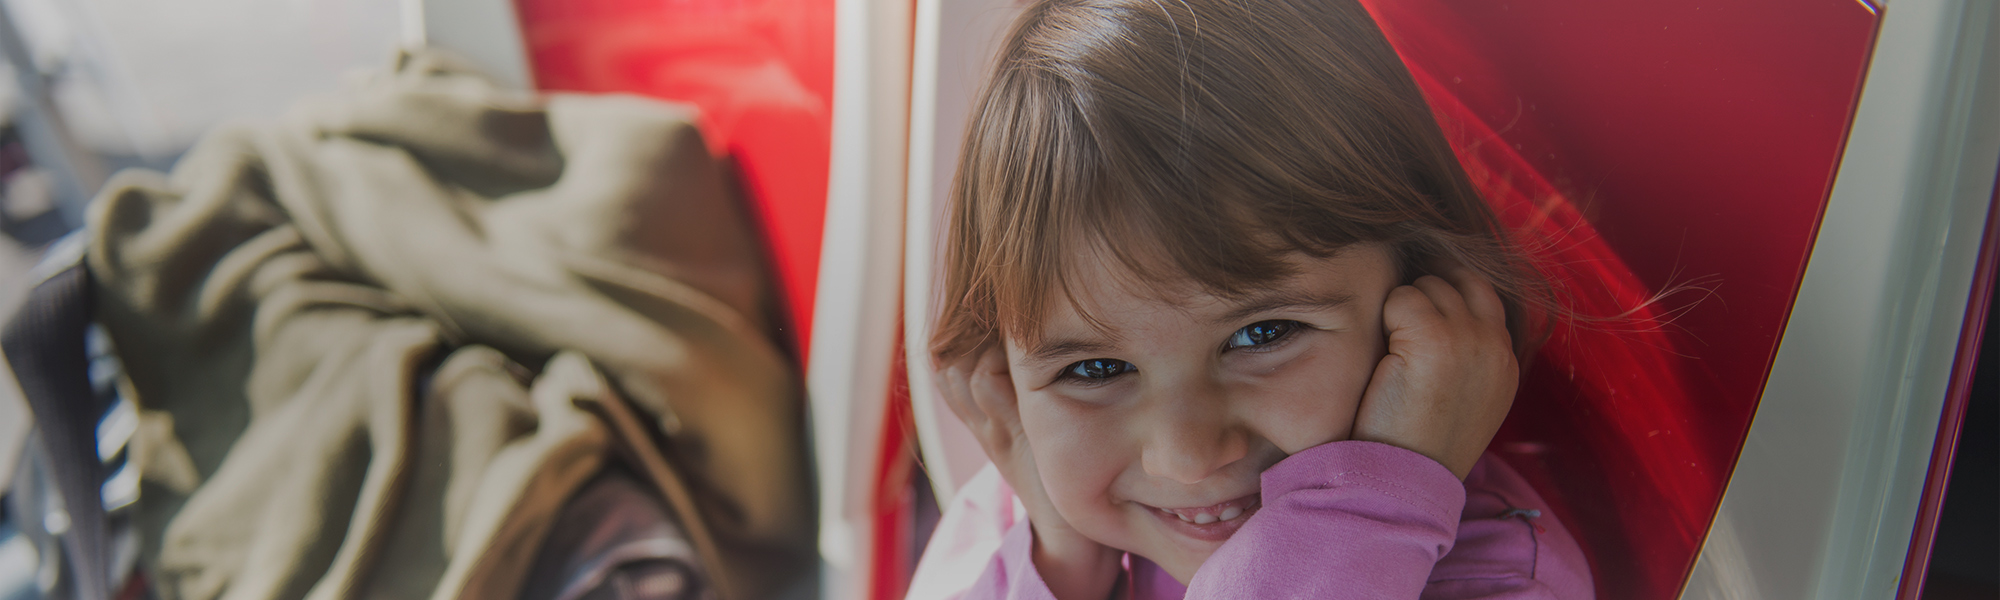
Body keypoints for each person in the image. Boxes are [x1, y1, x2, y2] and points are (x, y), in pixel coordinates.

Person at [911, 0, 1596, 598]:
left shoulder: (1499, 580)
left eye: (1262, 334)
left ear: (1425, 301)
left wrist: (1366, 511)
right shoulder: (1034, 512)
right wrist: (1060, 564)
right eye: (1094, 370)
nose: (1187, 456)